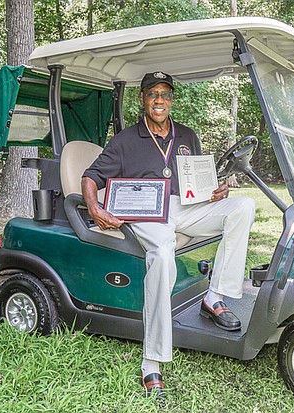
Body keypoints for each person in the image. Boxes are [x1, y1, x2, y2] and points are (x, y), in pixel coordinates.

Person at [81, 71, 255, 397]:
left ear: (171, 99)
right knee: (161, 252)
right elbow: (90, 177)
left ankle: (214, 296)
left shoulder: (187, 136)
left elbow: (196, 184)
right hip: (146, 212)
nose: (159, 100)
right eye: (152, 93)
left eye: (164, 94)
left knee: (242, 207)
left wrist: (214, 192)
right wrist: (95, 208)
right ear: (142, 98)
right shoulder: (124, 141)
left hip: (182, 208)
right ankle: (152, 362)